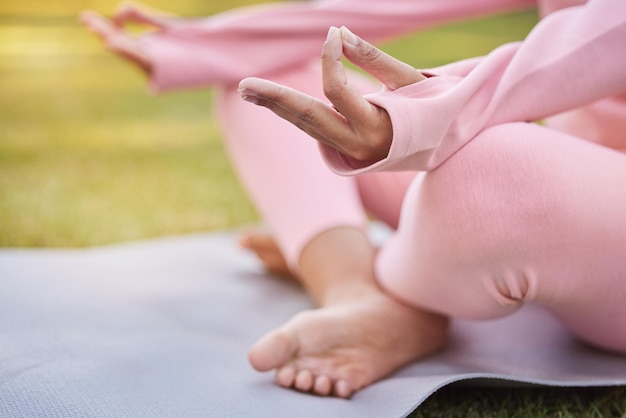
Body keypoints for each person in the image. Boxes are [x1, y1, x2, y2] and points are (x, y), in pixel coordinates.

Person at [82, 0, 626, 399]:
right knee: (267, 72)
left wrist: (419, 117)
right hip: (576, 204)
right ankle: (360, 294)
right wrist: (218, 42)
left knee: (495, 172)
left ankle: (393, 270)